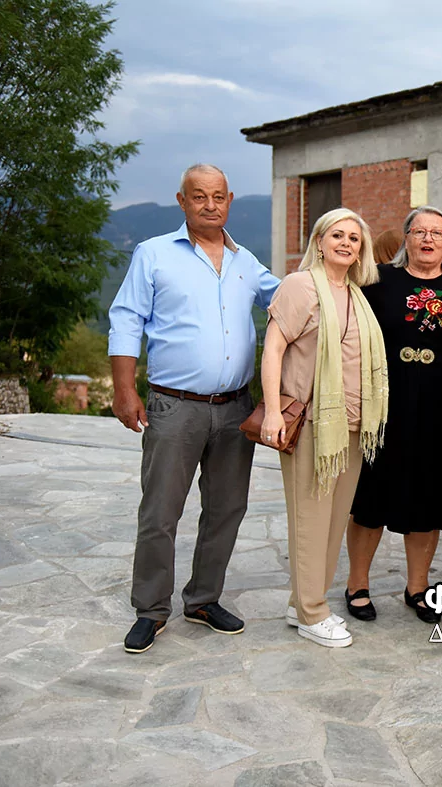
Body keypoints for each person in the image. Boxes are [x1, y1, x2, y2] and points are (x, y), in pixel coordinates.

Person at [108, 164, 279, 654]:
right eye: (199, 196)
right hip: (174, 407)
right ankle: (150, 609)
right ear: (181, 201)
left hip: (235, 409)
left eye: (218, 196)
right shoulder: (154, 253)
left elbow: (290, 301)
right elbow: (126, 319)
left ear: (230, 200)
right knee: (160, 512)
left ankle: (203, 600)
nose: (210, 205)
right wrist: (124, 389)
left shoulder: (247, 262)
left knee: (226, 509)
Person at [345, 206, 442, 623]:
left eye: (437, 233)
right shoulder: (377, 280)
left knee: (430, 499)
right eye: (419, 231)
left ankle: (418, 587)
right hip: (385, 408)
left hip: (441, 412)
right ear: (405, 238)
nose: (428, 239)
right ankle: (357, 584)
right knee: (370, 498)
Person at [260, 208, 387, 647]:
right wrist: (273, 411)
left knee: (333, 522)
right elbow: (273, 349)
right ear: (319, 241)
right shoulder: (300, 286)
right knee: (311, 520)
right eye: (337, 235)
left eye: (354, 238)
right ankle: (313, 612)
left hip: (349, 425)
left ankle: (302, 602)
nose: (346, 243)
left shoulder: (356, 294)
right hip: (312, 424)